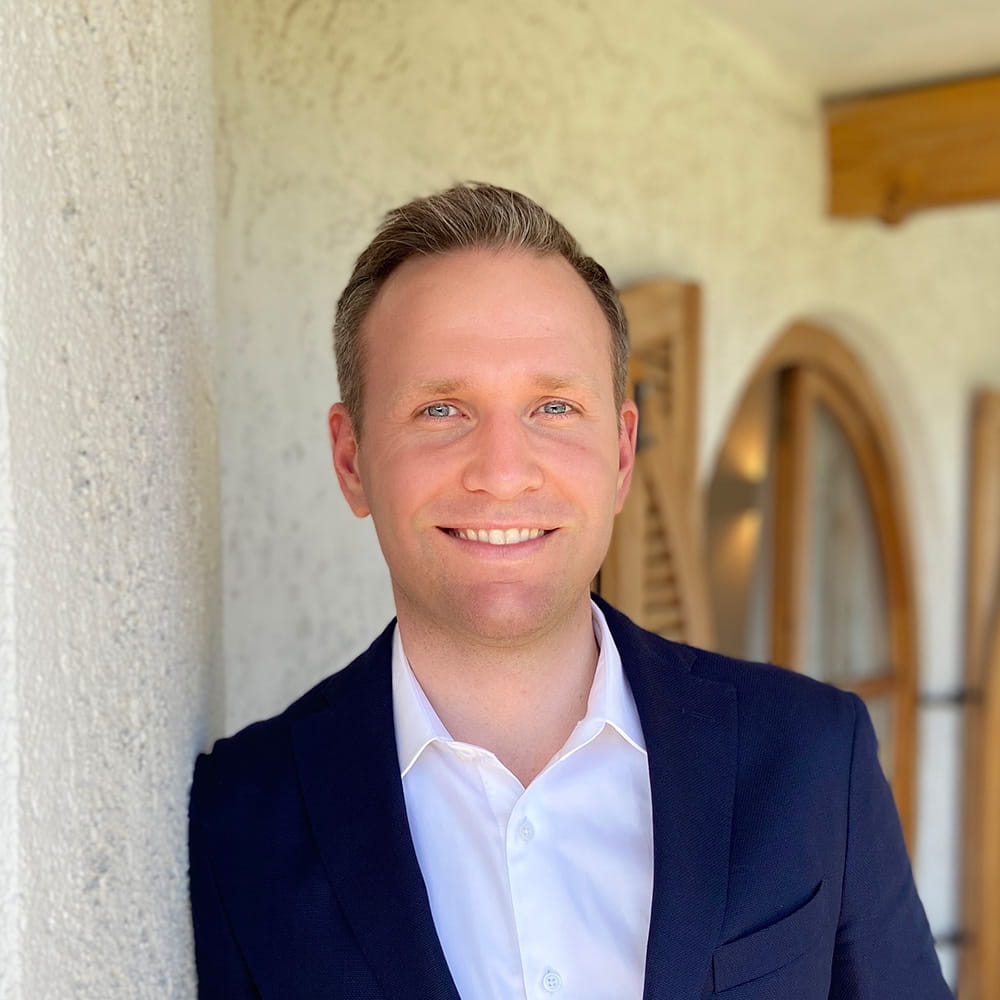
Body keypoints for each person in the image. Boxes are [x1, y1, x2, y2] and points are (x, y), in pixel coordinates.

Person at [189, 182, 952, 999]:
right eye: (441, 409)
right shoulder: (241, 819)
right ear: (352, 460)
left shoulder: (811, 757)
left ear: (621, 455)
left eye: (553, 406)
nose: (503, 473)